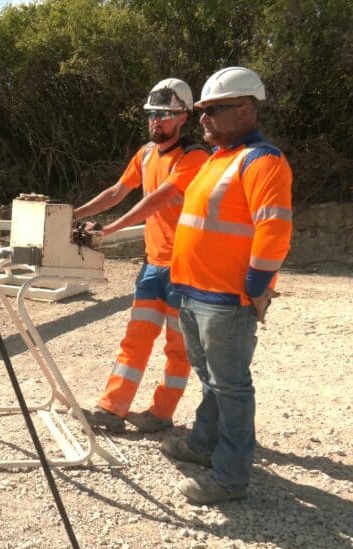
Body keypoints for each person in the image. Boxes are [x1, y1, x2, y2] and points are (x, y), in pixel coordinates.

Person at [161, 66, 293, 505]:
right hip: (193, 291)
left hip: (226, 298)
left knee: (231, 387)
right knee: (211, 380)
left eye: (214, 110)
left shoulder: (263, 161)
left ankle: (231, 477)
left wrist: (256, 286)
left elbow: (274, 229)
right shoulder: (218, 158)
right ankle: (204, 444)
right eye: (203, 110)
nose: (203, 118)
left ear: (246, 110)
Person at [74, 79, 210, 433]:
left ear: (183, 117)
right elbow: (117, 191)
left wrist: (108, 230)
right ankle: (111, 409)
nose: (156, 121)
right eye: (152, 114)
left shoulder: (195, 156)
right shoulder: (146, 153)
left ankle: (161, 413)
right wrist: (69, 215)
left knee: (178, 347)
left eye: (165, 115)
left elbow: (157, 199)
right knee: (135, 338)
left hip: (185, 269)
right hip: (153, 266)